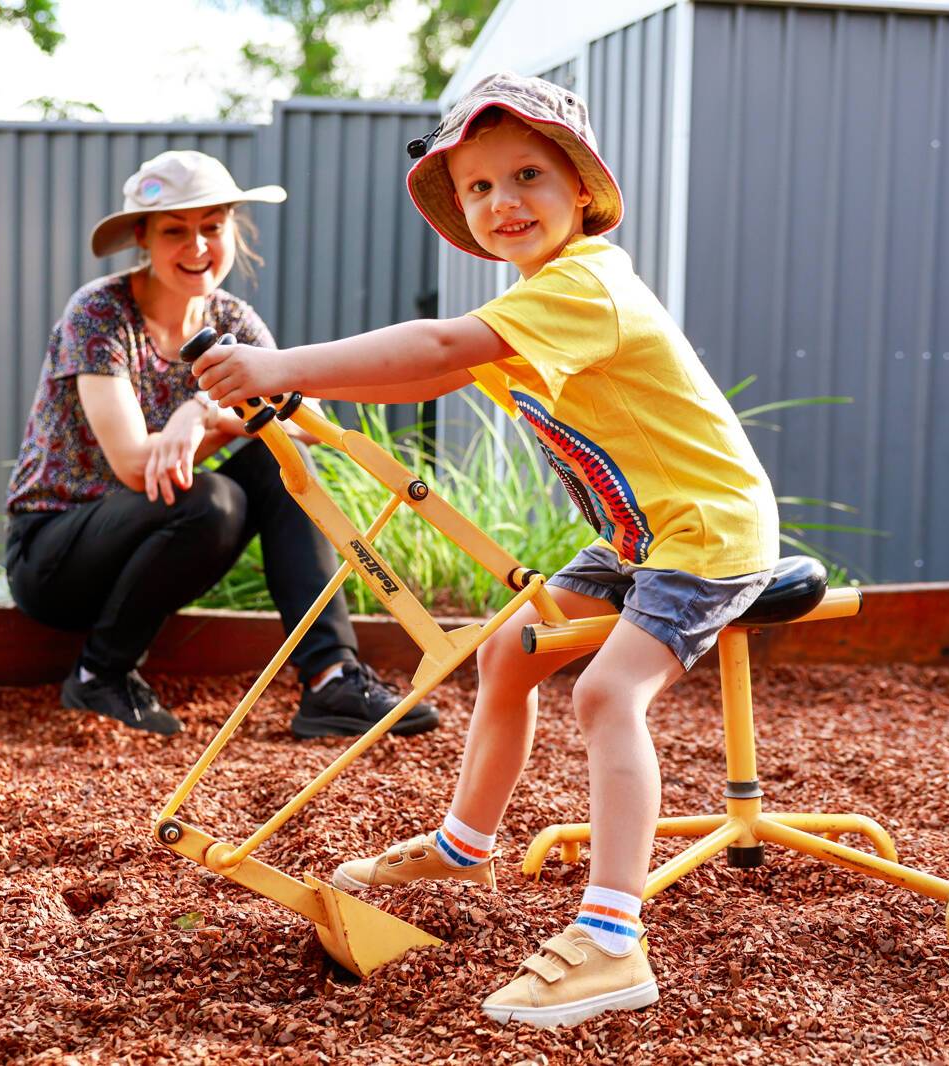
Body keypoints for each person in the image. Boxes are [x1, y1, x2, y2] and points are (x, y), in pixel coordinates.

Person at [190, 74, 779, 1026]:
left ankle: (612, 940)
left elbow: (431, 345)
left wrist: (283, 363)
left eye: (529, 176)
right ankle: (465, 844)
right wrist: (303, 398)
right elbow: (431, 364)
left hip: (707, 531)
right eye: (479, 189)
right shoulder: (538, 299)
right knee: (510, 653)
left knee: (605, 690)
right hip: (637, 535)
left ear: (581, 189)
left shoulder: (587, 284)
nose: (504, 203)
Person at [3, 149, 438, 740]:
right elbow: (136, 467)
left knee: (277, 457)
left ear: (234, 230)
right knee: (212, 498)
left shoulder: (234, 319)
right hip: (56, 554)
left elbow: (307, 422)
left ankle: (331, 678)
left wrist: (202, 407)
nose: (198, 246)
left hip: (156, 544)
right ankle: (99, 674)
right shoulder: (100, 313)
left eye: (212, 227)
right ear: (143, 238)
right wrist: (223, 415)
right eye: (175, 231)